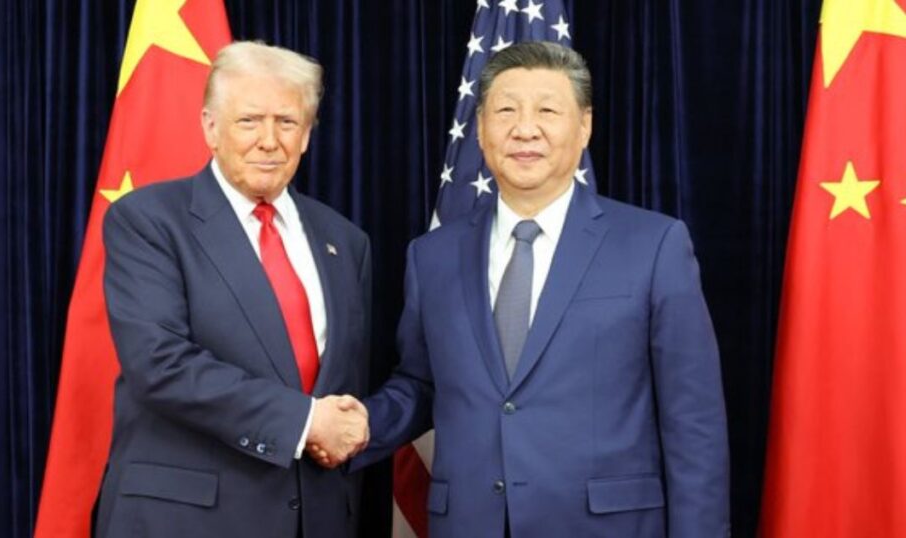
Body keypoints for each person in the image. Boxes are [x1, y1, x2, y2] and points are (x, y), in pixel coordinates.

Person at [319, 41, 729, 537]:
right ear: (482, 130)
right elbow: (424, 384)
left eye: (548, 110)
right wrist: (364, 424)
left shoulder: (653, 245)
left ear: (584, 127)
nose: (525, 128)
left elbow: (694, 426)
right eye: (506, 110)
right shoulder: (432, 256)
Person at [94, 41, 371, 538]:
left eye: (286, 122)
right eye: (249, 121)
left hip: (317, 519)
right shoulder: (148, 221)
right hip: (185, 520)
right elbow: (160, 364)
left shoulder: (345, 241)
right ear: (210, 127)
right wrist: (306, 421)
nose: (269, 140)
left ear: (306, 135)